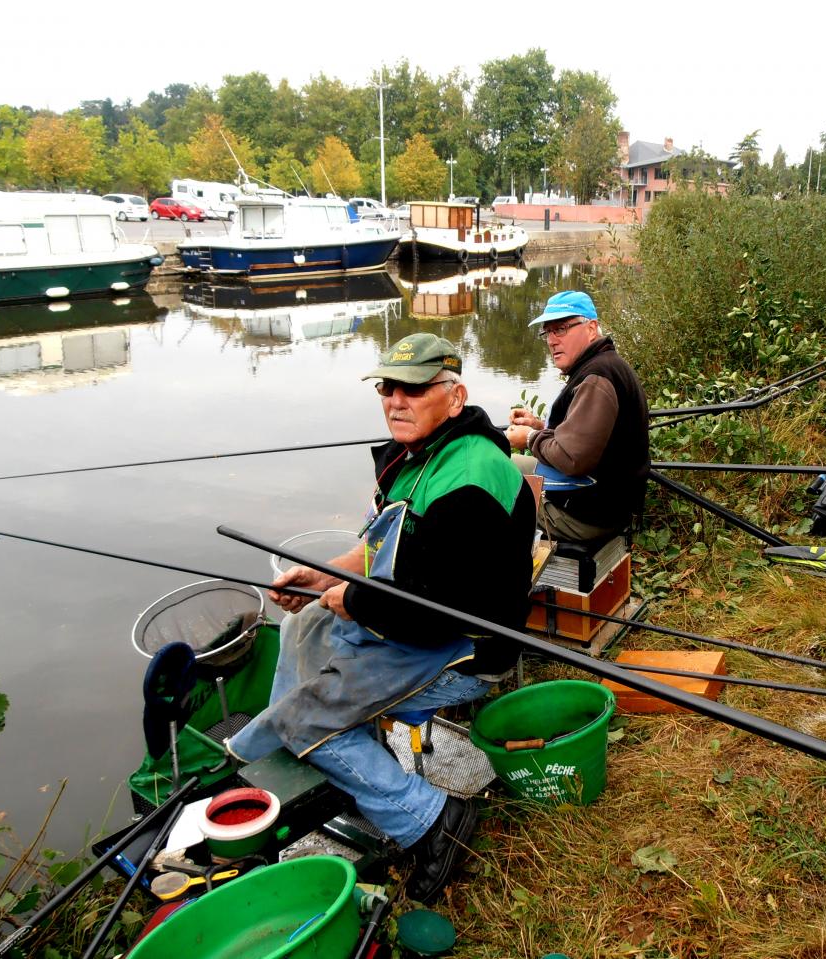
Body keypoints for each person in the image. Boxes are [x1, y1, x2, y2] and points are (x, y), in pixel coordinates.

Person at [226, 332, 536, 903]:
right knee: (303, 626)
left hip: (465, 645)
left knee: (306, 717)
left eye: (414, 389)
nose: (396, 400)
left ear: (455, 394)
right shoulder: (414, 456)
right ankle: (318, 767)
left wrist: (355, 599)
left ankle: (432, 819)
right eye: (388, 388)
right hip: (411, 620)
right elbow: (379, 550)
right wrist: (323, 576)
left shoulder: (472, 479)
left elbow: (444, 611)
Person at [505, 290, 650, 543]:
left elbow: (573, 459)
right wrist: (539, 426)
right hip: (598, 498)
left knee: (489, 484)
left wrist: (530, 438)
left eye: (561, 329)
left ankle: (499, 576)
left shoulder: (597, 377)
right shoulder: (603, 365)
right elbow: (587, 436)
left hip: (589, 514)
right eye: (547, 332)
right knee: (501, 463)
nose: (551, 340)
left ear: (591, 328)